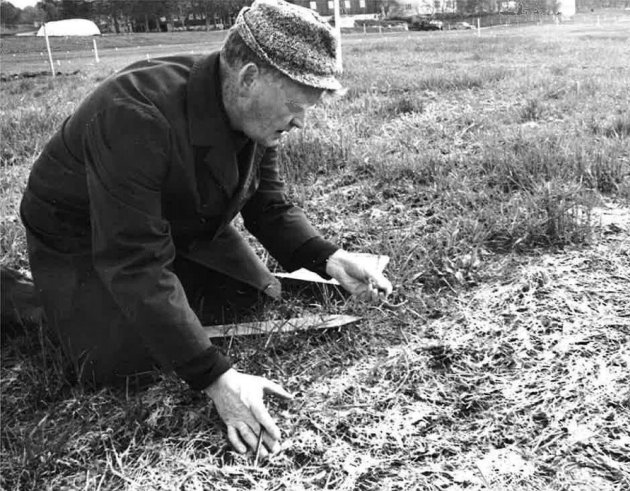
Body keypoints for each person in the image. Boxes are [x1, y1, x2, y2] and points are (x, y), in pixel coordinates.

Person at [19, 0, 392, 458]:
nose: (301, 122)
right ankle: (31, 294)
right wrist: (219, 379)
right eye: (296, 106)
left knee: (253, 293)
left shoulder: (253, 115)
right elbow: (135, 261)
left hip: (176, 218)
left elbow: (268, 205)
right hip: (82, 233)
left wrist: (329, 258)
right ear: (249, 77)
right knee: (123, 361)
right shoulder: (134, 111)